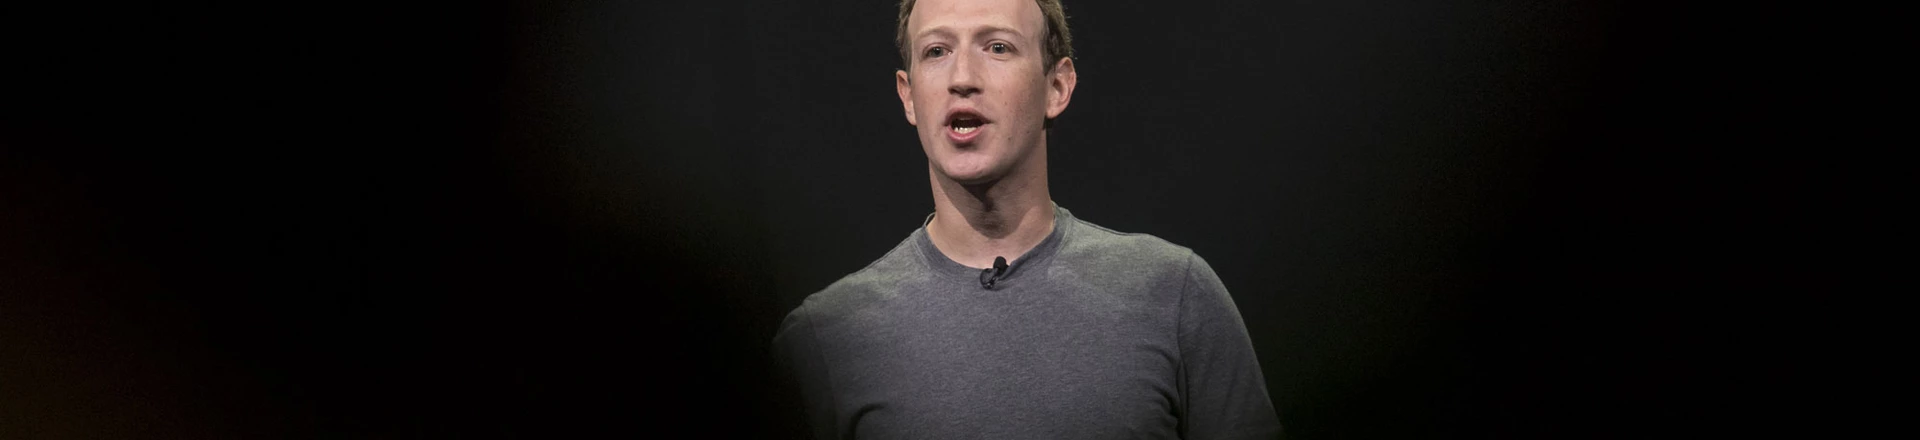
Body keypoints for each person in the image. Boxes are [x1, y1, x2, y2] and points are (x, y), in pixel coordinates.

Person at [773, 0, 1281, 438]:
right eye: (936, 51)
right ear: (908, 95)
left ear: (1057, 86)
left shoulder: (1175, 296)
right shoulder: (824, 339)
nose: (962, 79)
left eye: (997, 47)